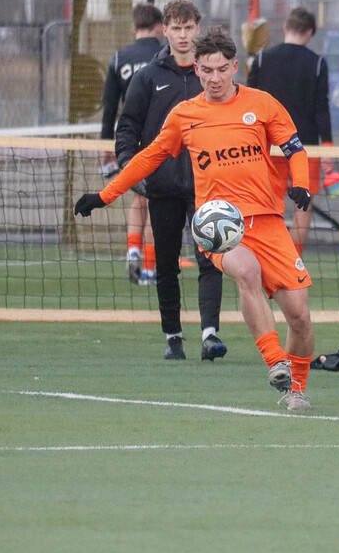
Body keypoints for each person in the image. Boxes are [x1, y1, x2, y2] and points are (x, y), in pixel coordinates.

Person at [76, 28, 317, 411]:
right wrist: (105, 195)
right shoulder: (185, 115)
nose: (215, 78)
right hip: (220, 225)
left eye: (222, 69)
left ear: (235, 67)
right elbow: (148, 157)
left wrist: (301, 185)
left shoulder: (263, 104)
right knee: (247, 273)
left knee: (300, 318)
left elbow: (296, 149)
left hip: (269, 222)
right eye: (206, 70)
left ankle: (296, 390)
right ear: (198, 69)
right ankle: (275, 362)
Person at [114, 0, 225, 362]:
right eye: (175, 28)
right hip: (162, 187)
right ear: (164, 30)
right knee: (165, 264)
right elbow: (128, 127)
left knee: (211, 258)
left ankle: (210, 334)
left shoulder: (212, 76)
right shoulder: (148, 77)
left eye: (188, 27)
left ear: (199, 28)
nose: (182, 35)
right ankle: (173, 337)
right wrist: (131, 168)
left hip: (207, 187)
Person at [246, 6, 334, 254]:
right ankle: (292, 259)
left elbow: (249, 102)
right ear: (309, 33)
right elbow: (321, 108)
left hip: (268, 146)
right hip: (305, 148)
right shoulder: (317, 63)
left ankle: (269, 254)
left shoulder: (262, 59)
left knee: (269, 205)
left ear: (285, 28)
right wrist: (328, 148)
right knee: (302, 206)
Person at [100, 2, 163, 285]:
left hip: (130, 136)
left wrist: (104, 145)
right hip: (160, 136)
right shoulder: (165, 55)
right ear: (161, 27)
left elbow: (109, 107)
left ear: (133, 28)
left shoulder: (119, 58)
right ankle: (149, 269)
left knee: (139, 199)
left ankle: (133, 251)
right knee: (156, 202)